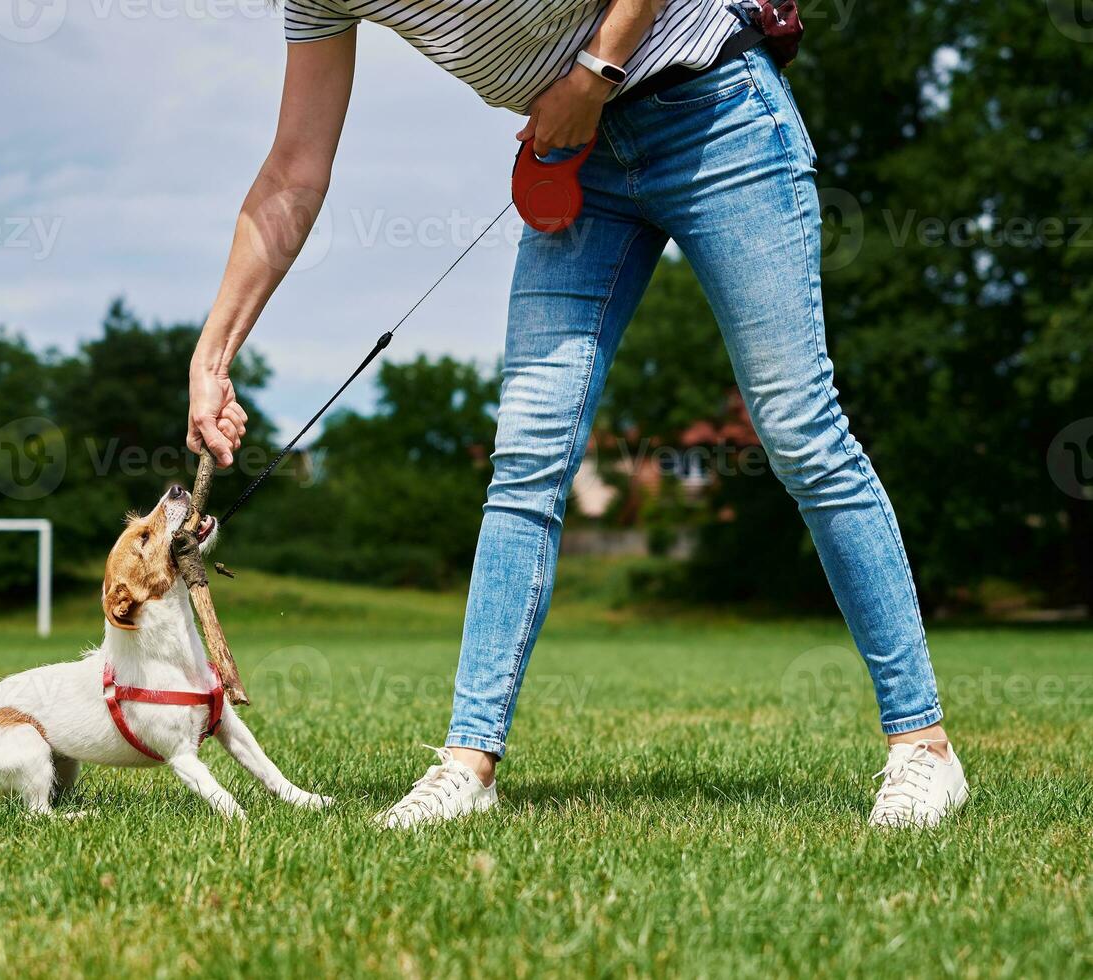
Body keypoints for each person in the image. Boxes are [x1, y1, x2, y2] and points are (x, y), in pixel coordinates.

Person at [184, 0, 969, 829]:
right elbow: (294, 171)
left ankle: (924, 750)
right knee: (526, 458)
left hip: (713, 107)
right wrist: (214, 353)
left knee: (800, 429)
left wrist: (595, 70)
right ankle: (467, 765)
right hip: (576, 158)